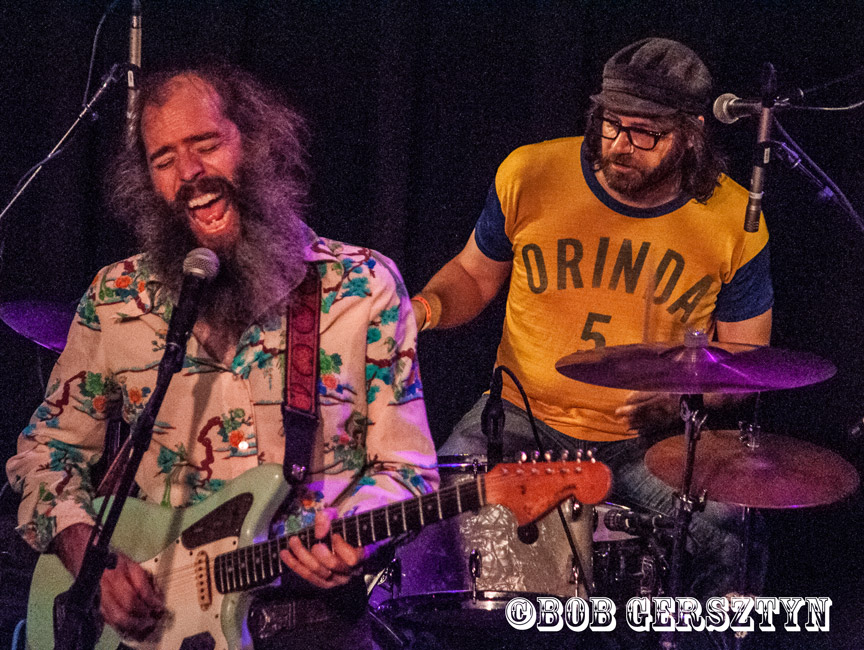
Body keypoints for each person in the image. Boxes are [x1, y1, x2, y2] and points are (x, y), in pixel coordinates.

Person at [6, 64, 438, 648]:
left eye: (206, 144)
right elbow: (45, 453)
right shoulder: (116, 297)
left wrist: (354, 532)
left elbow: (409, 471)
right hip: (155, 627)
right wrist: (90, 557)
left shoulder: (362, 287)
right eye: (163, 160)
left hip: (314, 625)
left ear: (257, 143)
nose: (189, 173)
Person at [411, 38, 772, 601]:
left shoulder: (734, 218)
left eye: (645, 132)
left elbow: (746, 363)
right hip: (521, 417)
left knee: (728, 529)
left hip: (643, 440)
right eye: (611, 123)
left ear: (694, 131)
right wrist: (424, 309)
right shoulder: (532, 173)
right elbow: (474, 274)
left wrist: (681, 402)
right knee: (435, 519)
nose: (621, 145)